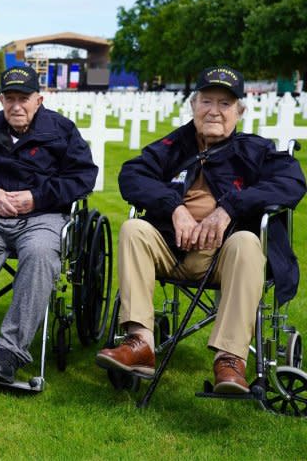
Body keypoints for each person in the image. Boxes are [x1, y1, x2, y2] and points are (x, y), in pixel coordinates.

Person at [96, 66, 306, 393]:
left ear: (240, 111)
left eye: (225, 104)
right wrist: (174, 208)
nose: (214, 111)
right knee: (134, 229)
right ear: (193, 104)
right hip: (171, 247)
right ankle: (140, 342)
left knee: (249, 242)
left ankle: (230, 359)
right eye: (207, 100)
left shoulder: (256, 150)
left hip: (225, 259)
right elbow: (132, 175)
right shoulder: (173, 145)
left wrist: (229, 208)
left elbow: (292, 183)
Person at [0, 66, 98, 383]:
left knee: (40, 255)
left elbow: (83, 178)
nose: (16, 106)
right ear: (0, 99)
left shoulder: (63, 130)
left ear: (39, 99)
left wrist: (37, 197)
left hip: (43, 217)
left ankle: (9, 352)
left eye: (23, 98)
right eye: (9, 98)